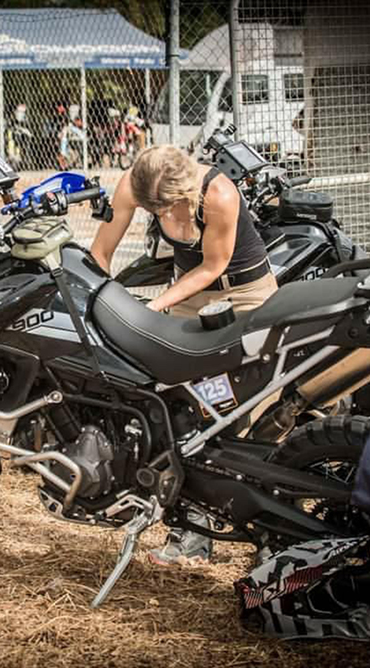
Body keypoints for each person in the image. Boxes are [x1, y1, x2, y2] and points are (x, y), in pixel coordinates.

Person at [89, 144, 278, 563]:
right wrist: (93, 305)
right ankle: (192, 531)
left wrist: (154, 307)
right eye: (154, 210)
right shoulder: (135, 185)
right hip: (188, 295)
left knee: (248, 410)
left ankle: (273, 535)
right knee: (182, 407)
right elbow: (100, 253)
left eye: (169, 207)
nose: (162, 215)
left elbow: (213, 265)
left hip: (244, 294)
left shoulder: (219, 193)